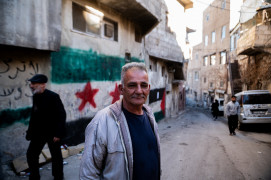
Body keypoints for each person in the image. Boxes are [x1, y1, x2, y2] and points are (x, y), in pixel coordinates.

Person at [80, 62, 161, 180]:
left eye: (143, 85)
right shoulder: (102, 122)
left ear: (148, 88)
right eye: (132, 85)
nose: (139, 91)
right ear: (121, 89)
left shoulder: (150, 116)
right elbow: (88, 175)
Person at [26, 74, 66, 180]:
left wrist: (58, 134)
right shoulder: (36, 95)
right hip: (38, 133)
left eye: (34, 83)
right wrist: (30, 132)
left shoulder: (53, 96)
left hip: (53, 133)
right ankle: (34, 177)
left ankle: (58, 177)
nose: (31, 86)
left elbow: (62, 115)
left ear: (43, 85)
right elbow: (34, 115)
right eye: (31, 83)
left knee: (56, 156)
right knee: (31, 155)